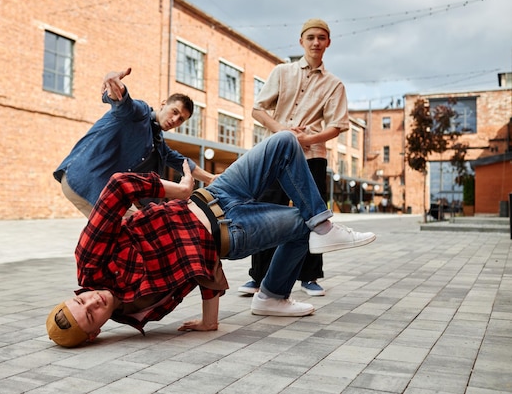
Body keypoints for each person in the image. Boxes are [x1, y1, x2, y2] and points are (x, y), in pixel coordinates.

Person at [46, 131, 375, 347]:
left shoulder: (90, 261)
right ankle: (274, 294)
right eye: (90, 314)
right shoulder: (141, 311)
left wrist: (178, 190)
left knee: (284, 142)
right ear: (95, 333)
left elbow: (119, 185)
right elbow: (199, 266)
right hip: (231, 232)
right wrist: (209, 321)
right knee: (302, 225)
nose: (92, 302)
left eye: (80, 301)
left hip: (211, 194)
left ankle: (323, 228)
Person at [238, 18, 349, 297]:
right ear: (301, 41)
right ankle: (258, 276)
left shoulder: (335, 85)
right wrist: (283, 134)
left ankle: (310, 275)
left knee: (313, 214)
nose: (315, 42)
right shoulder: (281, 72)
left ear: (328, 43)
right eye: (310, 37)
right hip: (275, 153)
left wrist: (305, 139)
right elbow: (258, 110)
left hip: (312, 155)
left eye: (321, 38)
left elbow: (336, 126)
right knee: (264, 211)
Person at [54, 67, 215, 217]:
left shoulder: (157, 141)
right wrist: (114, 85)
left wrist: (209, 178)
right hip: (86, 179)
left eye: (181, 119)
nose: (175, 120)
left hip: (103, 189)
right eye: (175, 112)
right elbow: (123, 103)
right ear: (163, 104)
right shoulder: (141, 113)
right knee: (139, 231)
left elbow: (181, 162)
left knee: (134, 232)